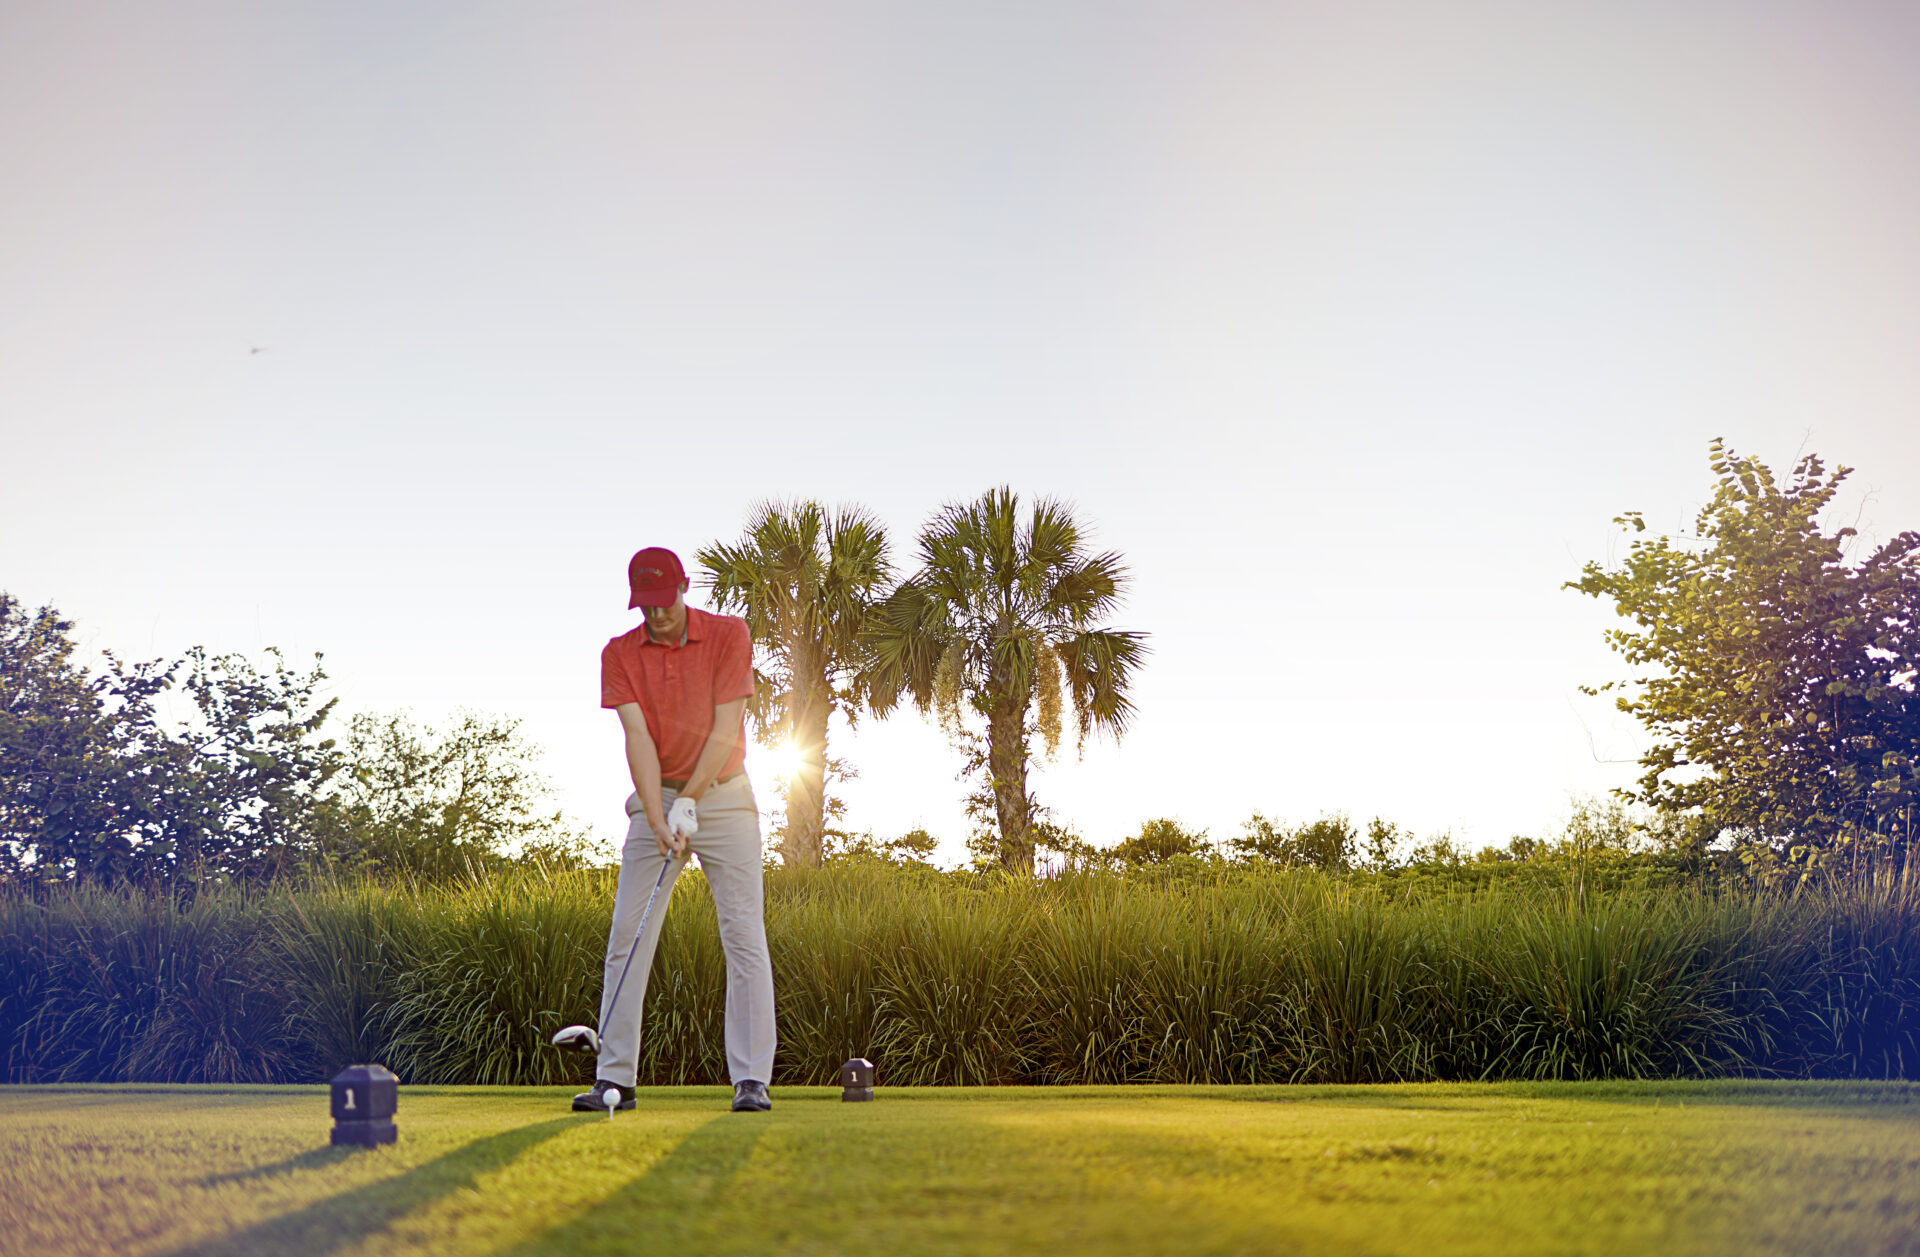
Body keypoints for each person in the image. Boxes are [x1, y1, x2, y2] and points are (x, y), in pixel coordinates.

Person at [573, 545, 776, 1114]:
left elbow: (724, 727)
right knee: (626, 937)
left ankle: (751, 1079)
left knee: (743, 935)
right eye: (647, 605)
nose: (658, 615)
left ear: (684, 588)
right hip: (658, 799)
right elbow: (637, 738)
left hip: (727, 797)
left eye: (665, 602)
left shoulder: (728, 635)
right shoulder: (620, 653)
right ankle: (615, 1079)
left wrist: (689, 799)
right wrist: (658, 817)